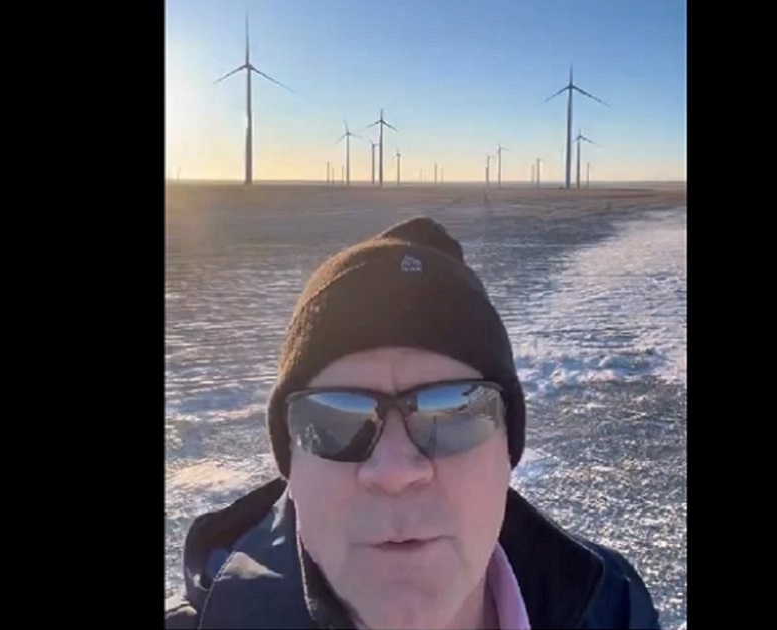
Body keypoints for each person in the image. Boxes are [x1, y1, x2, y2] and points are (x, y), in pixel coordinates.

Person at [165, 216, 661, 629]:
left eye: (454, 413)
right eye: (335, 421)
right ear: (290, 464)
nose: (395, 471)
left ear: (508, 449)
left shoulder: (615, 607)